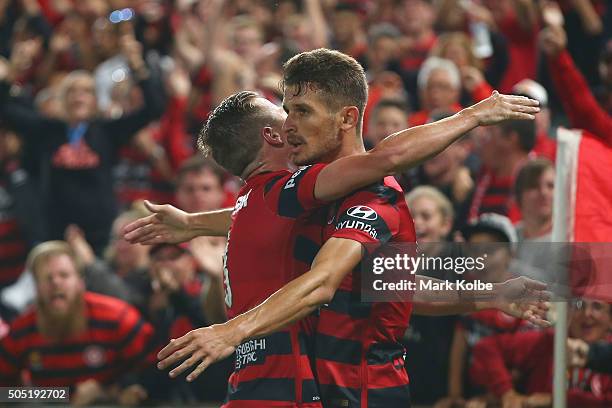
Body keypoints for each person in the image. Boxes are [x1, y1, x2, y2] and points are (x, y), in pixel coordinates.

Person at [129, 49, 545, 407]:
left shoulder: (372, 194)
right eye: (287, 111)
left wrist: (472, 115)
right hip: (308, 388)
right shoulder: (297, 193)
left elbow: (359, 277)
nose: (289, 125)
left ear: (347, 118)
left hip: (360, 392)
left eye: (302, 112)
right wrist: (193, 225)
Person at [0, 241, 155, 406]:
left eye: (64, 275)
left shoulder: (118, 318)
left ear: (80, 282)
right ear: (36, 287)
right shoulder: (21, 331)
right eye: (46, 277)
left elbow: (155, 369)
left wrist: (109, 391)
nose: (55, 283)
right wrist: (59, 396)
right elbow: (4, 393)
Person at [470, 299, 612, 407]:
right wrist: (506, 392)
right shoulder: (550, 342)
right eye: (579, 305)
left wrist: (553, 399)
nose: (587, 314)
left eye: (597, 307)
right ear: (567, 311)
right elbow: (486, 348)